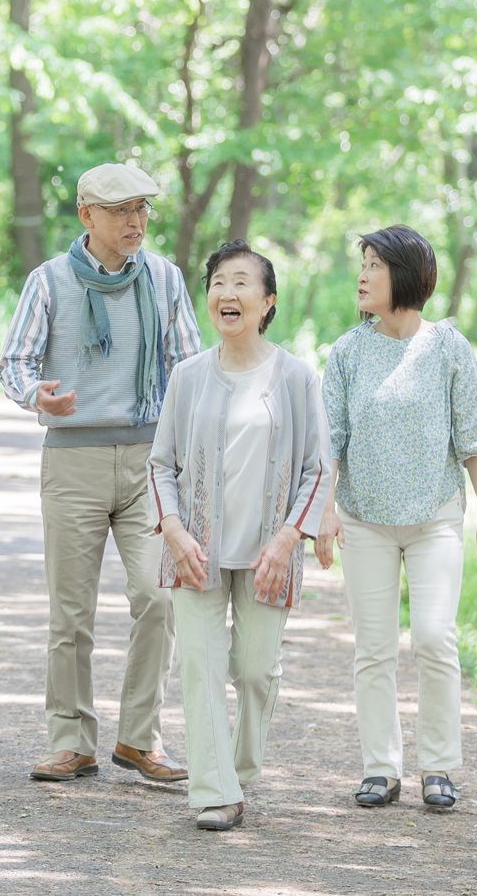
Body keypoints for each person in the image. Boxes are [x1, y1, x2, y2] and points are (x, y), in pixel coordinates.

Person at [0, 162, 200, 785]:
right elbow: (13, 362)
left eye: (142, 209)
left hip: (149, 464)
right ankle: (70, 740)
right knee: (71, 613)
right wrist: (38, 396)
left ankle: (140, 738)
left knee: (158, 596)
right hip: (73, 461)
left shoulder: (164, 279)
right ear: (87, 216)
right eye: (121, 210)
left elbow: (189, 367)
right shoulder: (50, 281)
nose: (136, 221)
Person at [314, 224, 477, 813]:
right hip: (366, 520)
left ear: (406, 276)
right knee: (373, 648)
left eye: (374, 264)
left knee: (433, 636)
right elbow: (330, 445)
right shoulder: (346, 351)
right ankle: (381, 768)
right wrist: (323, 514)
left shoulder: (449, 347)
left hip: (436, 518)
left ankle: (440, 768)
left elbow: (473, 436)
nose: (363, 276)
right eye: (363, 263)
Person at [149, 240, 332, 831]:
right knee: (199, 666)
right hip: (195, 551)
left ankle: (239, 771)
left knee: (254, 670)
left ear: (267, 301)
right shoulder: (188, 377)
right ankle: (214, 792)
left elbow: (318, 468)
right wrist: (173, 530)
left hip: (268, 554)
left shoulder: (297, 378)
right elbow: (160, 464)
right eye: (218, 283)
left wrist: (286, 541)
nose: (227, 294)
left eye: (241, 283)